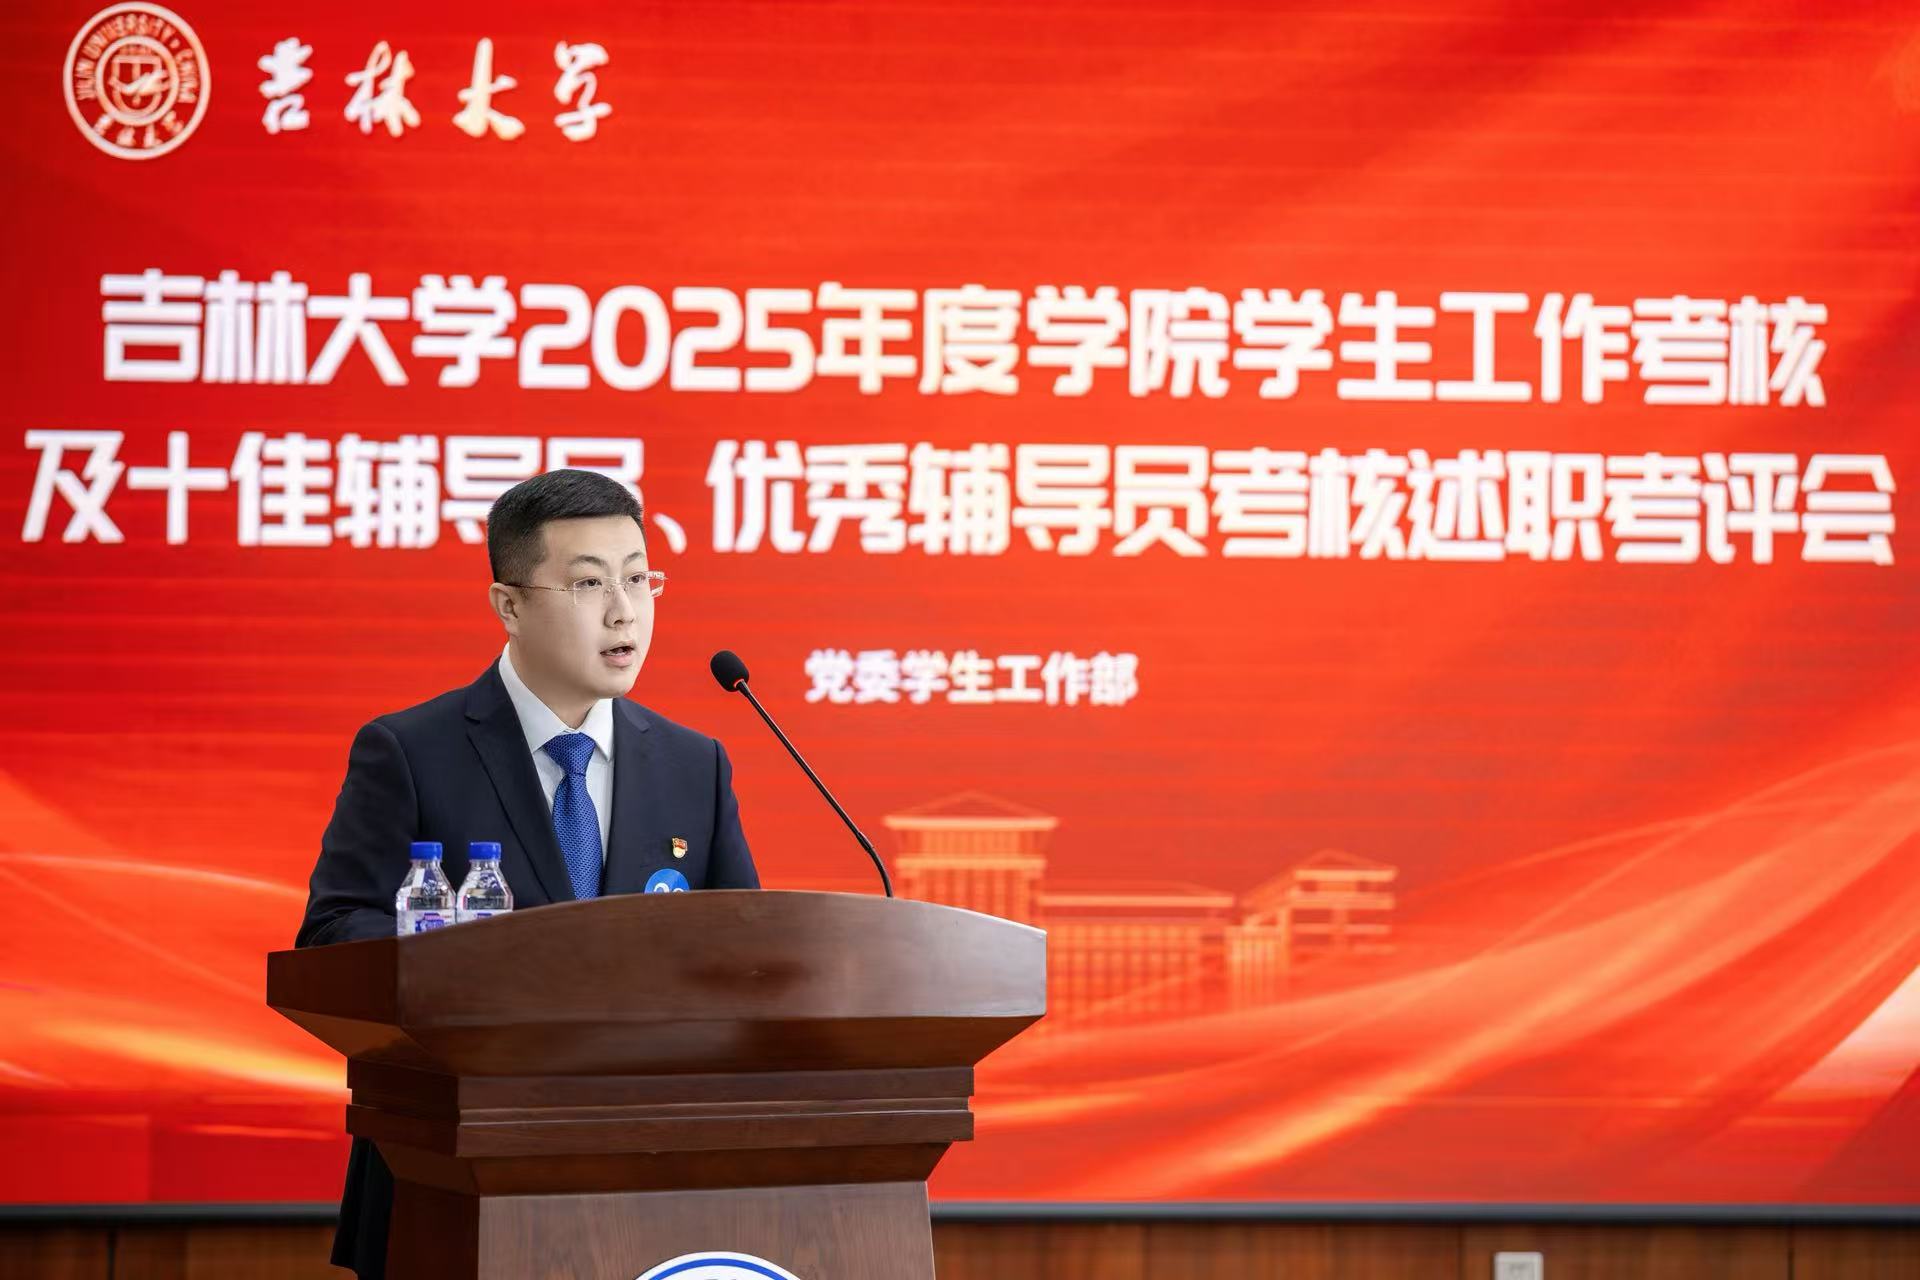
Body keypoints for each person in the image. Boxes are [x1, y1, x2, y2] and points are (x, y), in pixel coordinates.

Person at [296, 468, 759, 1278]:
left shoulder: (695, 764)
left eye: (638, 579)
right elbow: (334, 934)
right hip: (447, 1177)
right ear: (508, 605)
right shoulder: (410, 750)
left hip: (653, 1181)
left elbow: (748, 956)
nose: (624, 611)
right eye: (588, 583)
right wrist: (465, 964)